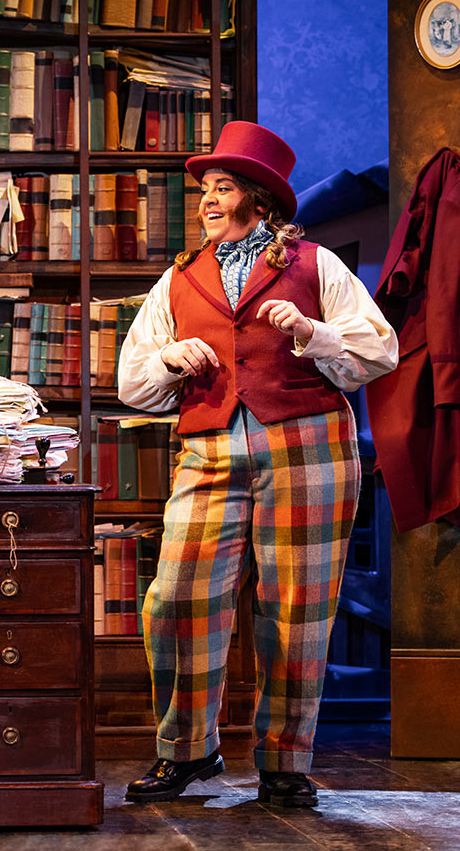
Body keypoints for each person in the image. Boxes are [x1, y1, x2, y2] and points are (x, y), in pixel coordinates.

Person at [116, 122, 398, 808]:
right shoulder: (180, 278)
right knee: (177, 598)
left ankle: (283, 761)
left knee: (298, 608)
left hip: (307, 447)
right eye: (206, 190)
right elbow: (132, 380)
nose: (207, 201)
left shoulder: (315, 265)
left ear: (261, 200)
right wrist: (169, 359)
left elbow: (379, 351)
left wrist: (311, 333)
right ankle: (187, 752)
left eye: (222, 188)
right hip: (210, 447)